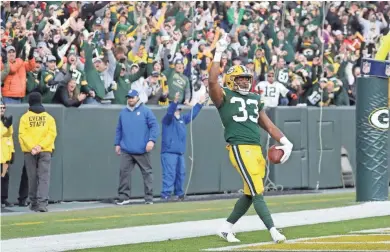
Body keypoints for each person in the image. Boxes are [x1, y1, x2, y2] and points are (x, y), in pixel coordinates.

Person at [209, 34, 293, 243]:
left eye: (247, 78)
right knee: (257, 191)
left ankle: (225, 228)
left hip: (256, 149)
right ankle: (273, 230)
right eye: (241, 79)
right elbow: (212, 81)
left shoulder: (255, 98)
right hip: (239, 146)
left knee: (250, 191)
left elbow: (268, 124)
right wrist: (218, 52)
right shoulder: (224, 96)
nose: (245, 82)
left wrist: (285, 141)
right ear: (231, 80)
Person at [114, 89, 160, 205]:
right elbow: (119, 129)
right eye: (129, 97)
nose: (130, 99)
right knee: (124, 173)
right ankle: (124, 197)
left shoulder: (146, 111)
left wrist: (151, 140)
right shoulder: (123, 113)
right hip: (127, 149)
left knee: (147, 173)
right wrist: (117, 144)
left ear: (137, 97)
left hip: (142, 149)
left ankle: (149, 198)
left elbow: (155, 126)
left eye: (132, 97)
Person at [160, 92, 205, 201]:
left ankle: (179, 194)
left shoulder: (182, 120)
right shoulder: (167, 120)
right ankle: (166, 195)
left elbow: (191, 115)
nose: (177, 111)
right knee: (169, 174)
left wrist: (199, 103)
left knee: (181, 174)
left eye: (179, 110)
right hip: (169, 152)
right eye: (176, 109)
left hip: (179, 152)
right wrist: (175, 101)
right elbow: (169, 113)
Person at [18, 92, 57, 212]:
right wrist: (40, 146)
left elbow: (22, 135)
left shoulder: (25, 118)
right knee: (44, 177)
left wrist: (33, 147)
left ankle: (34, 203)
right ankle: (42, 204)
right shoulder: (49, 118)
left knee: (32, 177)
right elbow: (52, 134)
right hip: (45, 150)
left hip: (30, 152)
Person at [1, 99, 15, 208]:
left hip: (5, 154)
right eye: (0, 108)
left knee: (5, 177)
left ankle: (3, 198)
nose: (2, 109)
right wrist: (6, 127)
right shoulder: (4, 124)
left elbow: (9, 136)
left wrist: (12, 152)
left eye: (3, 107)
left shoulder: (5, 120)